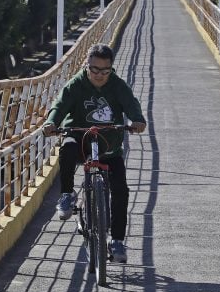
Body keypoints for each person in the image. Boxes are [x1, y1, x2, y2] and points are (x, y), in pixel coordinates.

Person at [42, 43, 147, 263]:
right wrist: (52, 122)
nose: (99, 75)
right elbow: (60, 104)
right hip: (80, 138)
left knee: (121, 190)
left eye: (104, 71)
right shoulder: (77, 84)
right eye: (94, 70)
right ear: (86, 66)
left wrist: (137, 120)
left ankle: (117, 241)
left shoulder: (117, 86)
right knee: (67, 148)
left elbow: (131, 104)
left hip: (109, 144)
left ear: (111, 69)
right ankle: (67, 195)